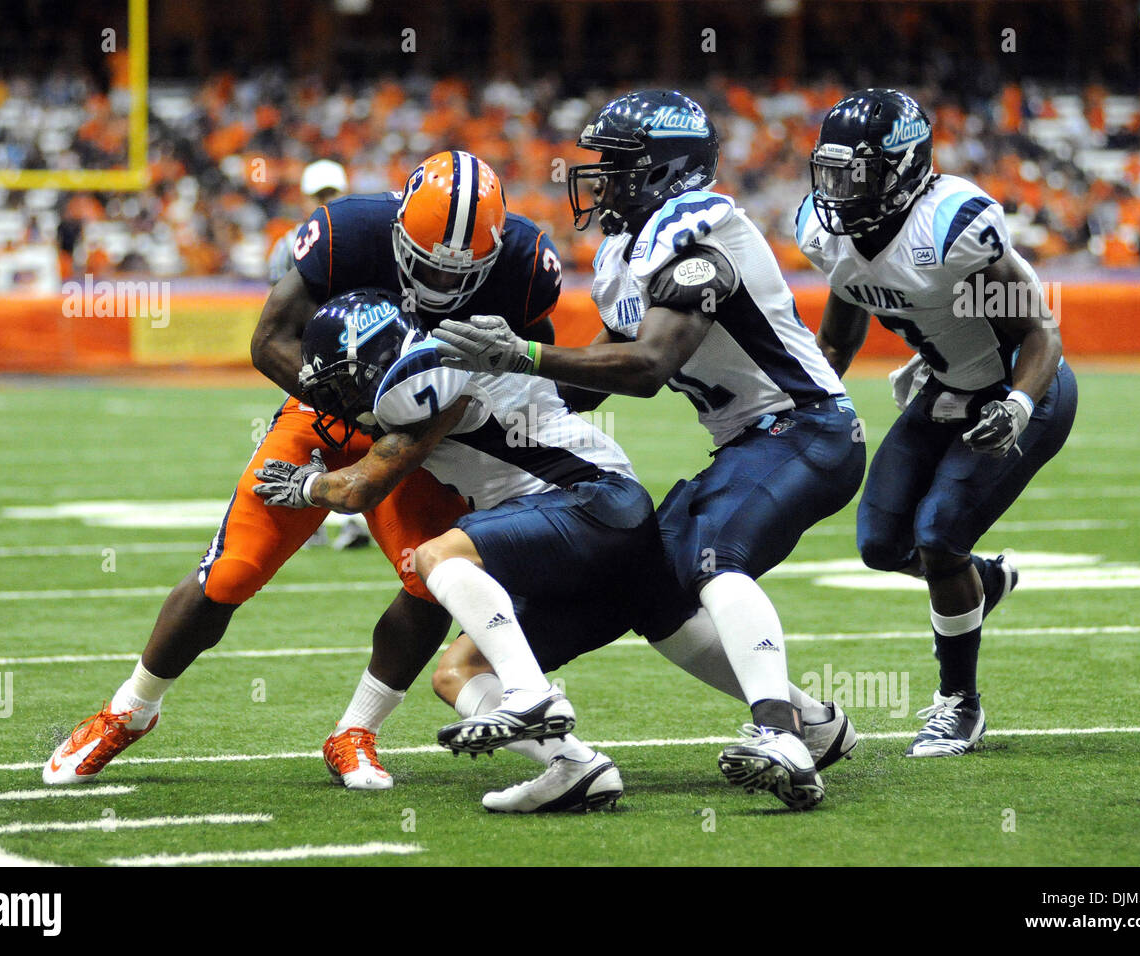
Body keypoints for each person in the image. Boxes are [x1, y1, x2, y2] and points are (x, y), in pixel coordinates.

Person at [43, 152, 563, 790]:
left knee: (433, 575)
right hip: (326, 410)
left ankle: (356, 731)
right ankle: (129, 710)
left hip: (426, 438)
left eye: (459, 272)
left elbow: (536, 365)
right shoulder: (349, 231)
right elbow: (268, 341)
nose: (439, 283)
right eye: (424, 264)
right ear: (399, 232)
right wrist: (356, 408)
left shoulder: (525, 265)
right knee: (229, 572)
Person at [432, 90, 864, 810]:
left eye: (618, 166)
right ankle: (816, 724)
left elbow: (647, 367)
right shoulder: (623, 254)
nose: (600, 180)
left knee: (716, 559)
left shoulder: (702, 234)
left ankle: (780, 734)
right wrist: (480, 402)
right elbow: (590, 384)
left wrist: (525, 354)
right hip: (751, 440)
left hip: (806, 427)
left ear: (667, 169)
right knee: (654, 592)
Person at [254, 287, 678, 811]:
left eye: (339, 382)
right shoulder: (433, 361)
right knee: (456, 673)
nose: (334, 399)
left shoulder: (423, 380)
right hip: (580, 536)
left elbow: (360, 488)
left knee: (438, 557)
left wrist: (307, 486)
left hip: (592, 503)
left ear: (367, 361)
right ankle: (575, 766)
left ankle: (530, 696)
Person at [798, 89, 1077, 756]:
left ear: (902, 169)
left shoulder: (952, 228)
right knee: (880, 543)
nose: (837, 188)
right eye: (830, 170)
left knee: (936, 534)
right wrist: (802, 402)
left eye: (855, 172)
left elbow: (1039, 333)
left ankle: (961, 705)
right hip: (947, 389)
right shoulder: (827, 231)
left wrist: (1016, 407)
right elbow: (838, 339)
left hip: (1018, 389)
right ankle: (982, 581)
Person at [267, 158, 370, 550]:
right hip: (311, 352)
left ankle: (350, 519)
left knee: (353, 435)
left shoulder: (304, 240)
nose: (326, 200)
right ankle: (311, 521)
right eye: (322, 194)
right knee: (308, 436)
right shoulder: (293, 242)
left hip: (346, 351)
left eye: (331, 193)